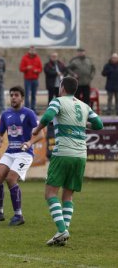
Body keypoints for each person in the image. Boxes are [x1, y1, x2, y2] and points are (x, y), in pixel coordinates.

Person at [31, 77, 103, 246]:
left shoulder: (58, 101)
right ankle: (62, 234)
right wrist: (83, 125)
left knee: (50, 193)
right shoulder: (84, 105)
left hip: (63, 153)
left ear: (62, 87)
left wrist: (36, 129)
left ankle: (62, 230)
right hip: (81, 155)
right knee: (68, 196)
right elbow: (98, 124)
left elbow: (48, 116)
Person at [0, 86, 43, 226]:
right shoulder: (5, 114)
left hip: (25, 154)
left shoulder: (29, 113)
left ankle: (18, 215)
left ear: (22, 97)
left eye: (16, 95)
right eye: (11, 95)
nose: (13, 97)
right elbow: (0, 133)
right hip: (10, 152)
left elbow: (41, 134)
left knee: (11, 178)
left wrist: (29, 142)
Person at [19, 46, 42, 112]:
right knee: (26, 94)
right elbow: (21, 68)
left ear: (35, 51)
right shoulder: (24, 58)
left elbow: (40, 69)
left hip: (35, 79)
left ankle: (33, 109)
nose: (32, 51)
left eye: (33, 50)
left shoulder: (38, 58)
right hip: (27, 80)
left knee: (34, 95)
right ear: (29, 50)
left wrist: (37, 70)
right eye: (31, 50)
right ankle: (26, 109)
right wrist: (27, 68)